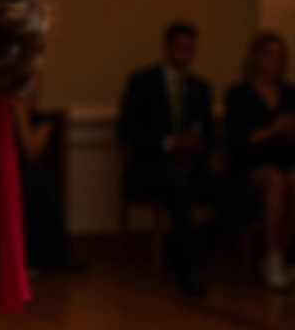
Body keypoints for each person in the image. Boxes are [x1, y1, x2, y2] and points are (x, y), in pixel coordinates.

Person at [118, 22, 237, 295]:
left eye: (190, 50)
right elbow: (126, 131)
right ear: (168, 47)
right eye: (181, 48)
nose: (185, 54)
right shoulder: (143, 82)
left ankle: (186, 247)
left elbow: (210, 135)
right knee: (177, 187)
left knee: (244, 198)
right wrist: (169, 144)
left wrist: (197, 145)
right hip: (151, 168)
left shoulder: (199, 87)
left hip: (191, 167)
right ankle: (188, 270)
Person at [225, 32, 295, 290]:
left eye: (280, 56)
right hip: (251, 164)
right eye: (269, 54)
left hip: (285, 159)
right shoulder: (240, 94)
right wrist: (272, 130)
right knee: (274, 180)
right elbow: (237, 140)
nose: (274, 61)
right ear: (256, 57)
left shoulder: (289, 93)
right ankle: (272, 256)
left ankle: (284, 252)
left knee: (292, 180)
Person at [11, 92, 83, 276]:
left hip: (29, 177)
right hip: (2, 174)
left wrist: (21, 115)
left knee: (39, 183)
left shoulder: (44, 119)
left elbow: (31, 153)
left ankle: (35, 259)